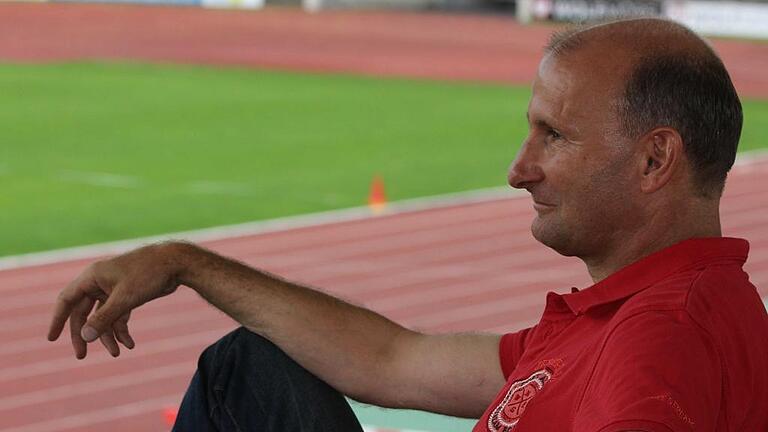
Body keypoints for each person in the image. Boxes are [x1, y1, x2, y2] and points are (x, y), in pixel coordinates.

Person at [47, 17, 768, 432]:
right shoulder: (629, 314)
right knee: (251, 369)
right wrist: (187, 264)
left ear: (654, 160)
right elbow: (391, 359)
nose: (519, 170)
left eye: (554, 136)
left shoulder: (663, 333)